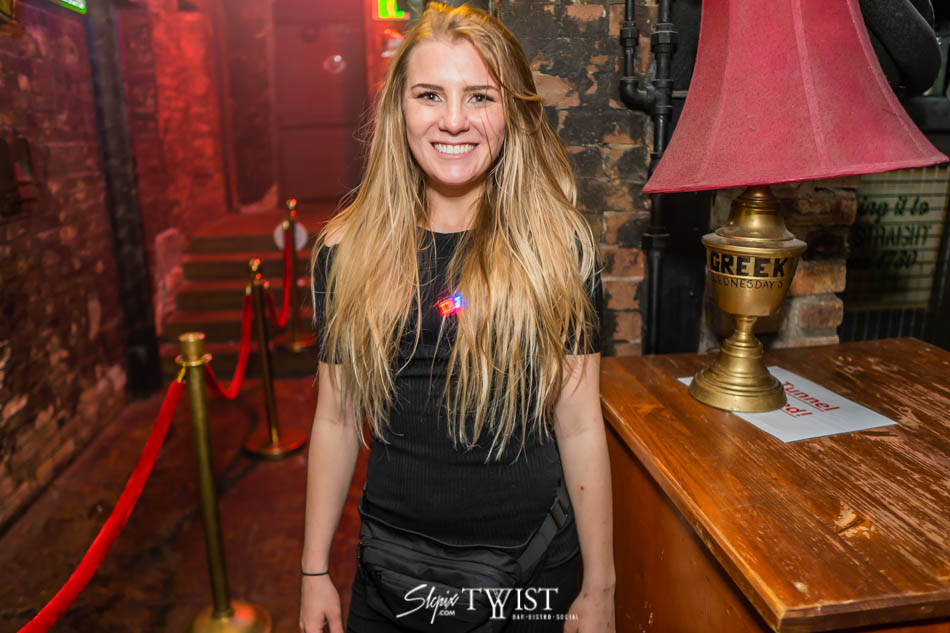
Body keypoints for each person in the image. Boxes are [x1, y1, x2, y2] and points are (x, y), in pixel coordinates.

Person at [299, 4, 615, 632]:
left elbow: (580, 424)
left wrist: (601, 587)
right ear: (399, 109)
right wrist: (313, 573)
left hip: (531, 576)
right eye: (429, 95)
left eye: (479, 96)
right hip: (393, 578)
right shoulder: (346, 249)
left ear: (512, 112)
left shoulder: (559, 248)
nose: (453, 120)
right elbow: (336, 417)